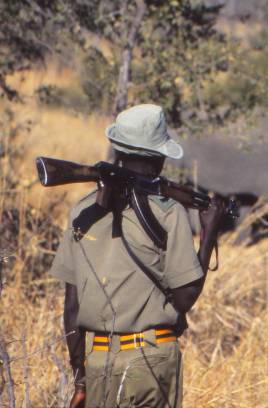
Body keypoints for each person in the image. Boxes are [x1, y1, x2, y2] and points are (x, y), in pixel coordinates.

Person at [49, 104, 224, 408]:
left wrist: (81, 378)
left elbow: (71, 306)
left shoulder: (82, 212)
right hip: (151, 360)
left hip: (97, 360)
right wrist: (208, 235)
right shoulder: (169, 213)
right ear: (158, 159)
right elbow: (184, 298)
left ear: (117, 150)